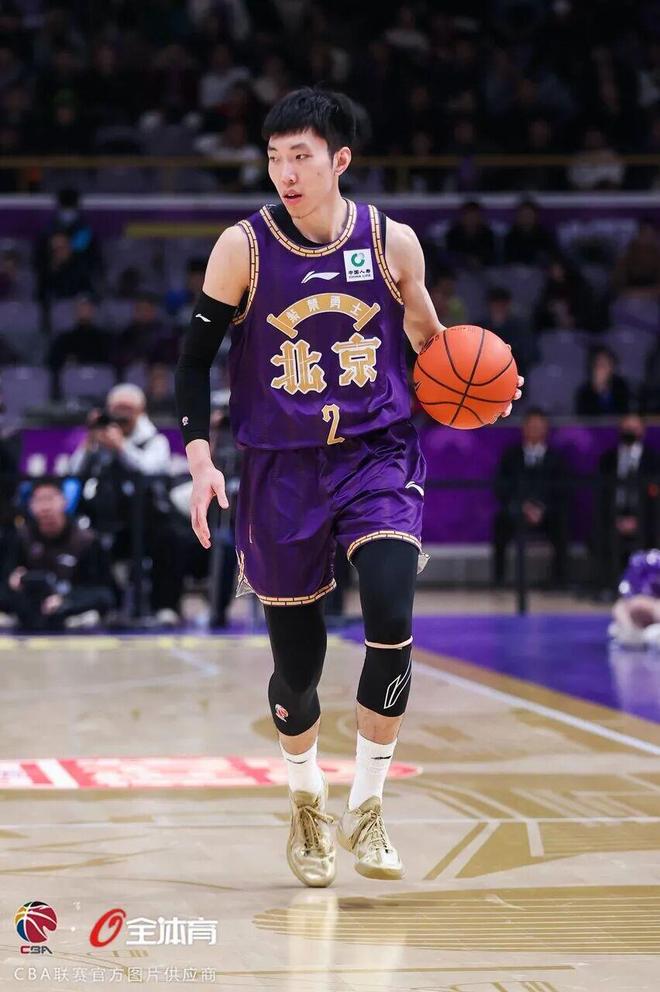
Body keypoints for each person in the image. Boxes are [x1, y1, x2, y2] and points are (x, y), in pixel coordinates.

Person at [174, 87, 523, 888]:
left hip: (376, 454)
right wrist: (199, 460)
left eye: (301, 157)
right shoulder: (243, 249)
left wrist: (488, 389)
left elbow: (434, 345)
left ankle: (367, 806)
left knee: (391, 612)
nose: (286, 174)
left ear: (340, 160)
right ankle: (307, 801)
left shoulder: (391, 243)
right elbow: (192, 363)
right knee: (298, 669)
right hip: (281, 467)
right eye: (275, 158)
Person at [69, 383, 182, 624]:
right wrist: (90, 440)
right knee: (88, 542)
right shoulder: (98, 440)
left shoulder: (154, 440)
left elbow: (150, 468)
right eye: (116, 408)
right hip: (109, 518)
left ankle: (165, 606)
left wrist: (121, 447)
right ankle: (105, 605)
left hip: (148, 518)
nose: (121, 415)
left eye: (127, 409)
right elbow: (74, 472)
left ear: (141, 411)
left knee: (170, 538)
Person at [0, 477, 114, 631]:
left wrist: (66, 600)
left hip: (71, 610)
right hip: (28, 611)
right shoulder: (20, 538)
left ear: (64, 501)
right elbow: (5, 582)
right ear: (31, 505)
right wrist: (12, 582)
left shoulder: (86, 541)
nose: (45, 507)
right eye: (39, 500)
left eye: (50, 499)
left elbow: (105, 592)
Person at [492, 408, 567, 587]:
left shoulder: (556, 458)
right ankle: (499, 580)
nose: (534, 430)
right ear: (524, 429)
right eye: (531, 426)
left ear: (546, 429)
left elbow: (562, 491)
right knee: (500, 522)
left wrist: (541, 509)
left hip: (547, 512)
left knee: (562, 522)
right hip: (517, 510)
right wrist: (522, 506)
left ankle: (559, 580)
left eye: (538, 427)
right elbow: (502, 487)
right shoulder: (511, 456)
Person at [593, 414, 659, 594]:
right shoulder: (608, 459)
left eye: (634, 428)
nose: (629, 432)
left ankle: (647, 589)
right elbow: (602, 496)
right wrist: (616, 519)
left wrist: (638, 520)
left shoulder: (653, 460)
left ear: (642, 431)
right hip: (614, 515)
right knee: (599, 533)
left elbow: (655, 501)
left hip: (645, 517)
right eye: (626, 428)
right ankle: (609, 587)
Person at [609, 549, 660, 647]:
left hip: (653, 615)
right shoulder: (632, 583)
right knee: (619, 608)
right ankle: (631, 633)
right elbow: (625, 598)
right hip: (636, 626)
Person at [575, 346, 631, 417]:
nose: (602, 369)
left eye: (605, 364)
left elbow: (625, 412)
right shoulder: (584, 392)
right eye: (599, 364)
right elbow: (585, 418)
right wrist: (598, 388)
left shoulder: (621, 386)